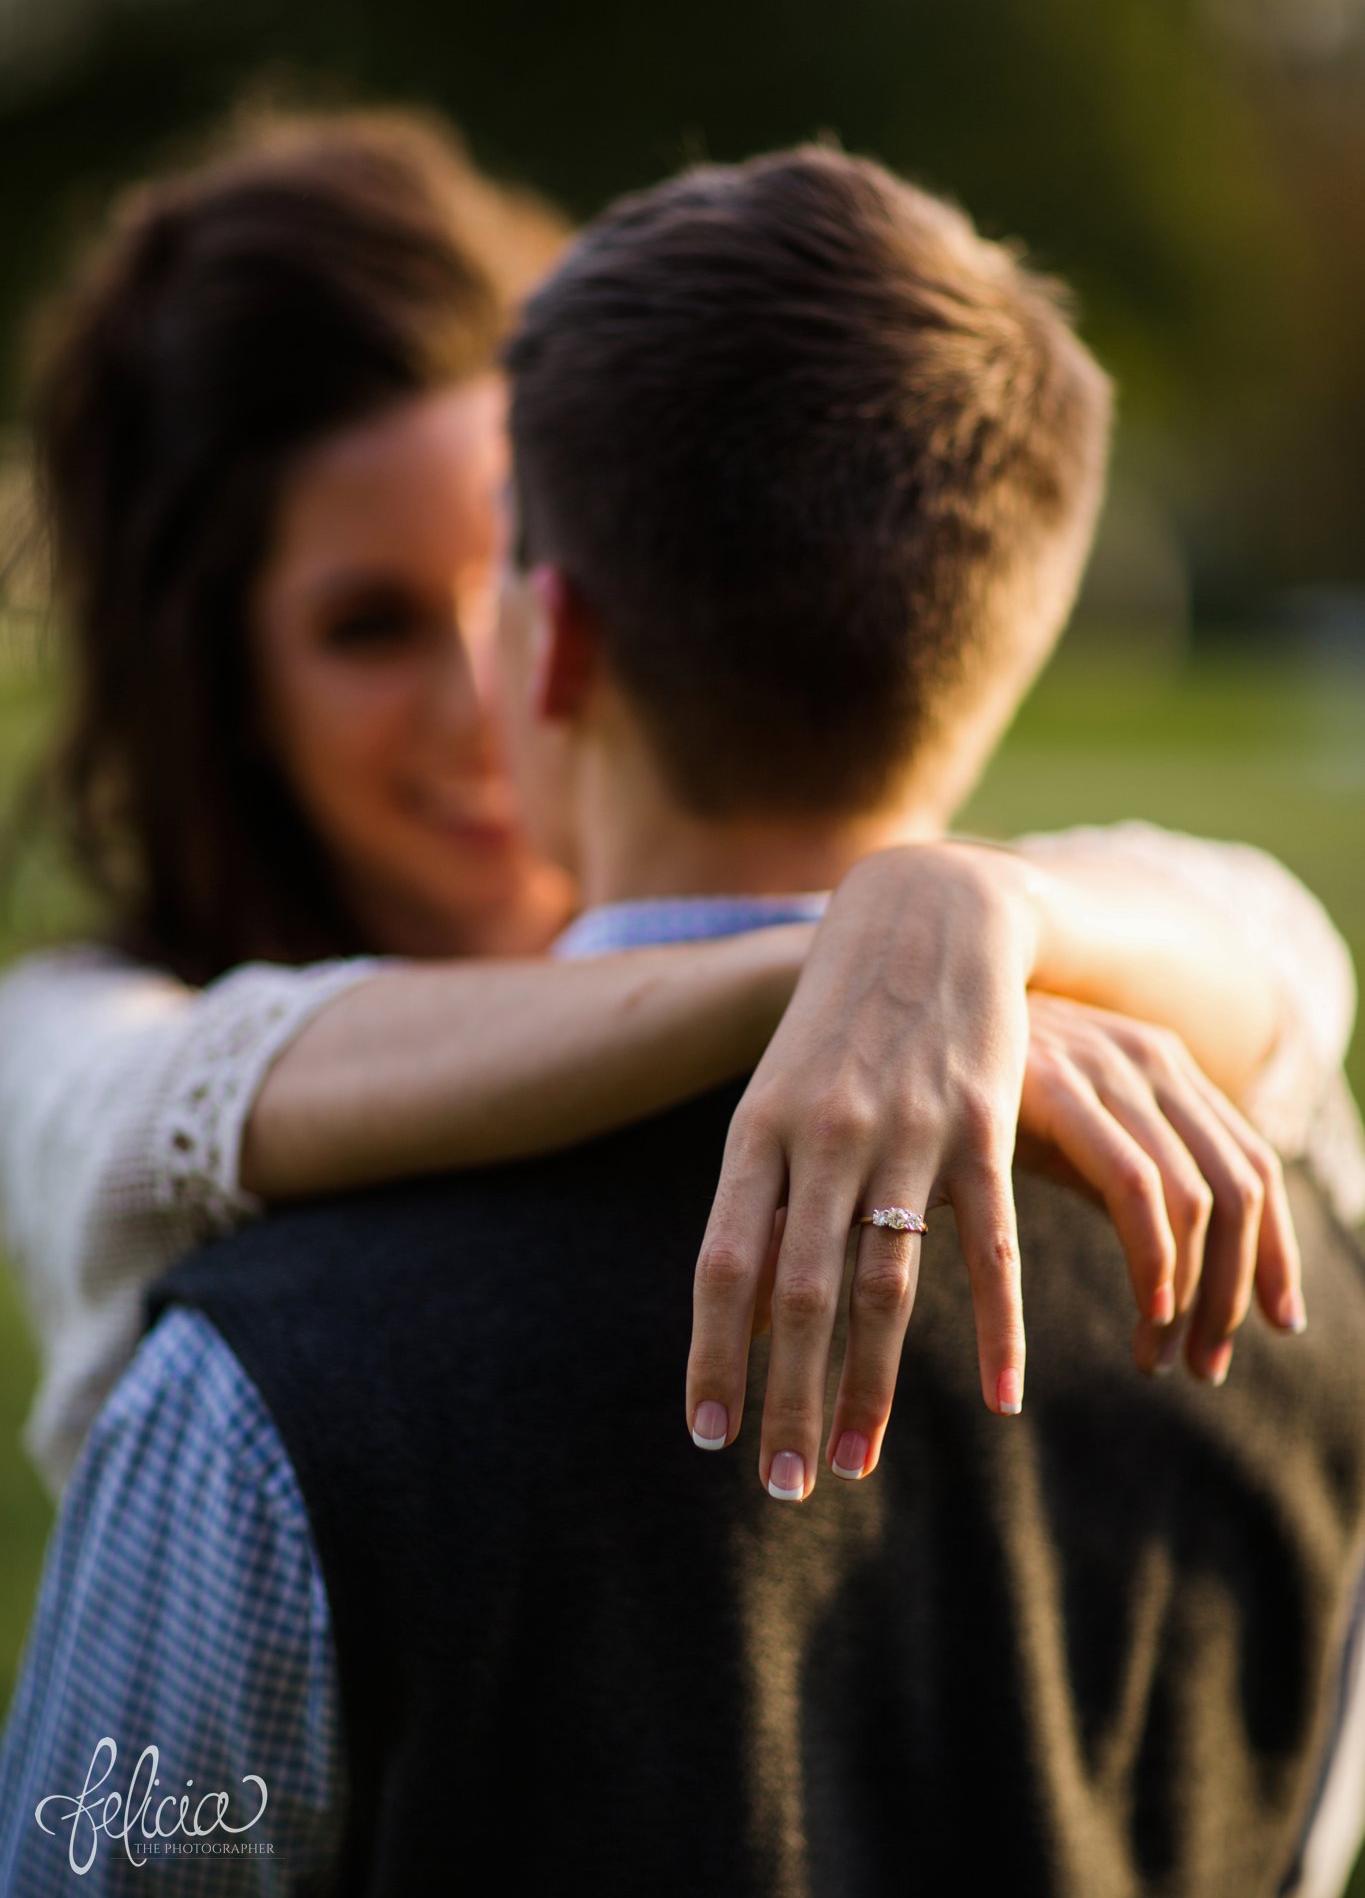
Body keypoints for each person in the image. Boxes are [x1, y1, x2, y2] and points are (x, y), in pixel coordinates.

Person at [2, 144, 1363, 1897]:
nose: (473, 709)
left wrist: (964, 912)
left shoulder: (268, 1385)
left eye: (485, 580)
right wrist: (821, 955)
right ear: (217, 685)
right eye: (362, 628)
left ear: (558, 616)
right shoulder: (111, 1070)